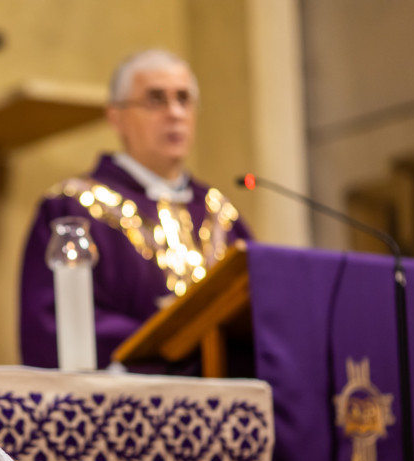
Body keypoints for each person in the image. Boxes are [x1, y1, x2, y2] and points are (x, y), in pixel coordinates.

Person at [20, 48, 252, 372]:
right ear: (116, 117)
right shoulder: (72, 208)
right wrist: (169, 340)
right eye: (156, 100)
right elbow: (52, 323)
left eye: (184, 99)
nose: (175, 113)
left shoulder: (219, 213)